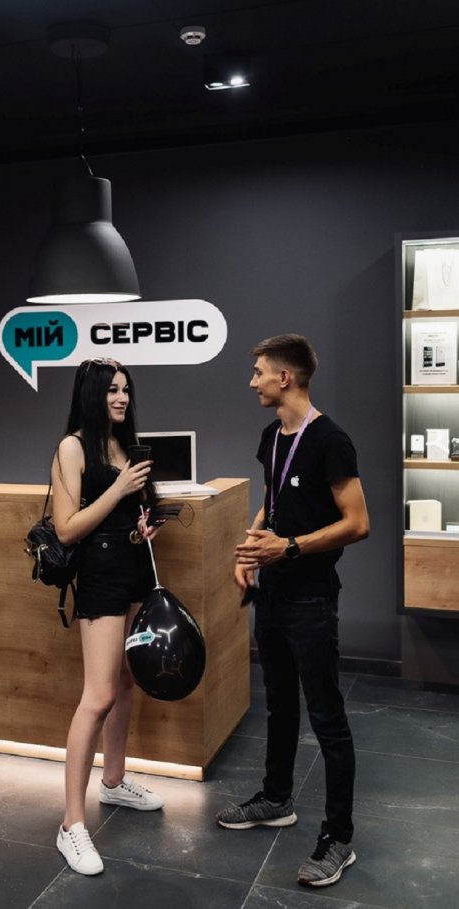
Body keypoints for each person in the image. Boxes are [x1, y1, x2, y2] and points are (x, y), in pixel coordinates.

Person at [216, 334, 370, 888]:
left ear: (285, 378)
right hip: (274, 593)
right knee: (279, 704)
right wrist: (251, 545)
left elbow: (358, 523)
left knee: (326, 717)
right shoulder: (271, 435)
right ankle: (276, 798)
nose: (252, 381)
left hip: (311, 598)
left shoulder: (331, 440)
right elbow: (274, 498)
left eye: (259, 372)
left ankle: (339, 838)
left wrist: (291, 547)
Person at [52, 357, 163, 876]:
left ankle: (114, 782)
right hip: (99, 576)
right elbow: (67, 528)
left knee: (125, 681)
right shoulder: (72, 447)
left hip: (135, 567)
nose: (121, 398)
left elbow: (125, 515)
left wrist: (143, 525)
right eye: (112, 390)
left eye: (125, 390)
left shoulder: (124, 444)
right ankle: (71, 824)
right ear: (92, 394)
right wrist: (118, 490)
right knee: (97, 696)